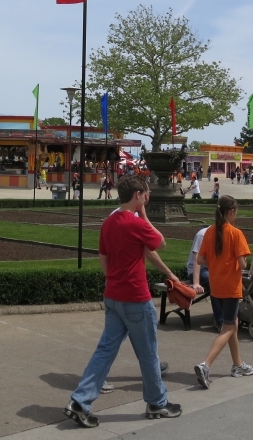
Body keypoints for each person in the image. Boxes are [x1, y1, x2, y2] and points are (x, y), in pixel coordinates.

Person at [64, 175, 182, 427]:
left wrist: (113, 280)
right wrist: (144, 215)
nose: (147, 198)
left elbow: (103, 257)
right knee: (148, 353)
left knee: (105, 350)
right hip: (135, 297)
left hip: (113, 295)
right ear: (137, 195)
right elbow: (161, 243)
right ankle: (157, 402)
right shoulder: (135, 223)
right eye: (145, 194)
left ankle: (80, 401)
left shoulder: (109, 222)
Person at [194, 195, 253, 388]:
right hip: (230, 287)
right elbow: (243, 264)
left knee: (232, 324)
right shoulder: (236, 233)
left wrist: (216, 262)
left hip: (216, 286)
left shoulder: (210, 231)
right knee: (227, 328)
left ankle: (238, 364)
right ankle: (206, 364)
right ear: (231, 212)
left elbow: (200, 260)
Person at [188, 226, 223, 331]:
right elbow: (196, 259)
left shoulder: (226, 234)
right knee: (215, 281)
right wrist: (196, 283)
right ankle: (220, 320)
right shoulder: (202, 234)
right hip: (199, 270)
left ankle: (233, 316)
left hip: (214, 268)